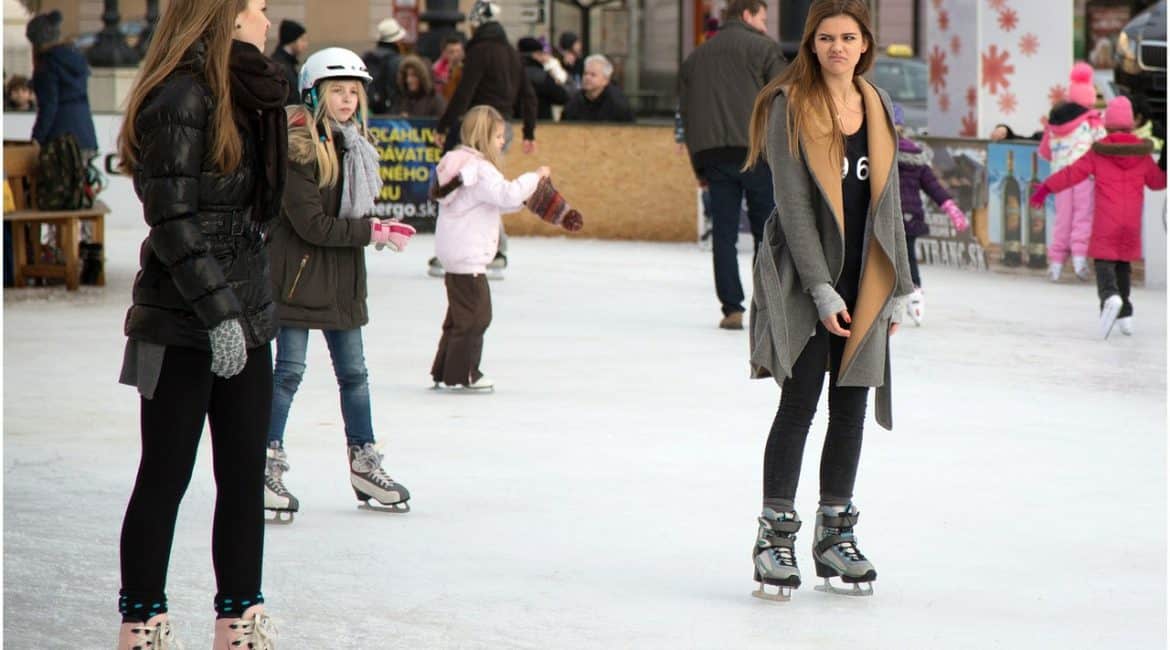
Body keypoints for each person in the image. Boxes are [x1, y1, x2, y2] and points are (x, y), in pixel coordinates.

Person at [114, 1, 288, 647]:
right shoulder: (179, 97)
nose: (267, 22)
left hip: (247, 318)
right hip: (178, 324)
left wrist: (247, 313)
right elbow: (172, 217)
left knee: (244, 475)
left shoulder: (248, 95)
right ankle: (143, 619)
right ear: (227, 15)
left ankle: (240, 618)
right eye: (260, 9)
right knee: (166, 473)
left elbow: (251, 215)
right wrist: (219, 314)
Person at [742, 0, 914, 601]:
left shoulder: (877, 105)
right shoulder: (790, 105)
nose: (837, 47)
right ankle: (775, 536)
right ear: (811, 45)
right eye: (825, 38)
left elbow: (887, 201)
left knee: (850, 411)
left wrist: (899, 289)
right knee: (799, 406)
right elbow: (790, 207)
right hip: (805, 278)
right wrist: (818, 289)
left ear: (864, 43)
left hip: (865, 280)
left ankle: (833, 535)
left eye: (848, 37)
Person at [264, 47, 417, 522]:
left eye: (354, 92)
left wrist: (378, 226)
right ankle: (263, 465)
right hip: (296, 279)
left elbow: (347, 216)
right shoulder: (298, 147)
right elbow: (311, 224)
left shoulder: (354, 145)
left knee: (355, 376)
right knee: (287, 375)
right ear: (315, 94)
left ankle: (364, 464)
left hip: (342, 280)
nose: (348, 99)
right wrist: (370, 231)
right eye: (338, 91)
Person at [430, 105, 582, 391]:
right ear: (484, 136)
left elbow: (500, 201)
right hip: (469, 255)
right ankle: (464, 374)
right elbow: (507, 193)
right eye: (499, 136)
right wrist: (535, 177)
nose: (502, 142)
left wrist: (529, 197)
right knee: (477, 316)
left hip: (455, 253)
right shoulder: (480, 169)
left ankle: (445, 371)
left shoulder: (456, 162)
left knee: (459, 315)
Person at [678, 0, 787, 329]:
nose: (766, 27)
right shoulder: (765, 50)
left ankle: (732, 308)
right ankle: (767, 306)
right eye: (763, 19)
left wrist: (699, 166)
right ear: (747, 15)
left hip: (714, 156)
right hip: (758, 153)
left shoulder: (696, 58)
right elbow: (786, 98)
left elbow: (687, 112)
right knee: (765, 232)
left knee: (723, 235)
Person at [1030, 96, 1167, 339]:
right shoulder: (1142, 155)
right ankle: (1126, 316)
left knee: (1104, 264)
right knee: (1123, 265)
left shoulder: (1098, 153)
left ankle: (1109, 298)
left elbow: (1071, 174)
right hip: (1131, 223)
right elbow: (1158, 182)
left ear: (1107, 125)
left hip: (1107, 220)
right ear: (1131, 124)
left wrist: (1045, 188)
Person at [433, 0, 538, 279]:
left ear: (477, 23)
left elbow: (464, 93)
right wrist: (528, 132)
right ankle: (492, 249)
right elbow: (528, 94)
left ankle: (488, 249)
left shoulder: (480, 50)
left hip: (480, 127)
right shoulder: (511, 52)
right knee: (488, 184)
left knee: (469, 185)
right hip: (503, 128)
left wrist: (444, 126)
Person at [892, 102, 968, 325]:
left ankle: (892, 300)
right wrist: (952, 209)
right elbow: (933, 186)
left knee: (887, 259)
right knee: (909, 259)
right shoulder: (917, 156)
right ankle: (915, 298)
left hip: (888, 217)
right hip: (912, 216)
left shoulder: (880, 150)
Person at [1037, 61, 1105, 282]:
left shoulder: (1053, 122)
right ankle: (1079, 261)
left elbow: (1045, 152)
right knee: (1082, 218)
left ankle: (1055, 266)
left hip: (1059, 178)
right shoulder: (1093, 121)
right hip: (1084, 177)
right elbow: (1104, 145)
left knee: (1063, 220)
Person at [25, 10, 97, 154]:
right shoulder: (76, 58)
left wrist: (37, 138)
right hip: (86, 134)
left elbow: (49, 106)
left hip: (61, 141)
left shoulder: (47, 65)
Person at [561, 54, 635, 123]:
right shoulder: (574, 102)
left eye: (593, 75)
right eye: (585, 73)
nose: (587, 77)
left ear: (606, 80)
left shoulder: (618, 104)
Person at [517, 36, 571, 120]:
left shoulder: (509, 73)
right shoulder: (541, 76)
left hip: (514, 123)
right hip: (540, 124)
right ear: (536, 55)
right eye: (541, 54)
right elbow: (562, 97)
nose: (544, 57)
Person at [362, 17, 407, 115]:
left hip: (370, 110)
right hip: (393, 112)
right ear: (397, 41)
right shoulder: (398, 61)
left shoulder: (368, 57)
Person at [271, 19, 308, 105]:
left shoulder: (287, 63)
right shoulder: (280, 65)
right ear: (292, 39)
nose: (305, 44)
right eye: (302, 40)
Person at [433, 34, 465, 100]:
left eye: (458, 51)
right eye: (451, 52)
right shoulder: (436, 70)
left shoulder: (467, 67)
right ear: (443, 53)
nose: (456, 55)